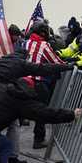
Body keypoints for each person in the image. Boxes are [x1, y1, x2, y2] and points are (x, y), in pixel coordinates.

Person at [25, 21, 66, 149]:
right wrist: (68, 65)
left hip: (23, 81)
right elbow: (55, 61)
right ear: (43, 32)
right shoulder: (43, 45)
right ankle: (39, 139)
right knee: (41, 111)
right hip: (38, 82)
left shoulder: (26, 43)